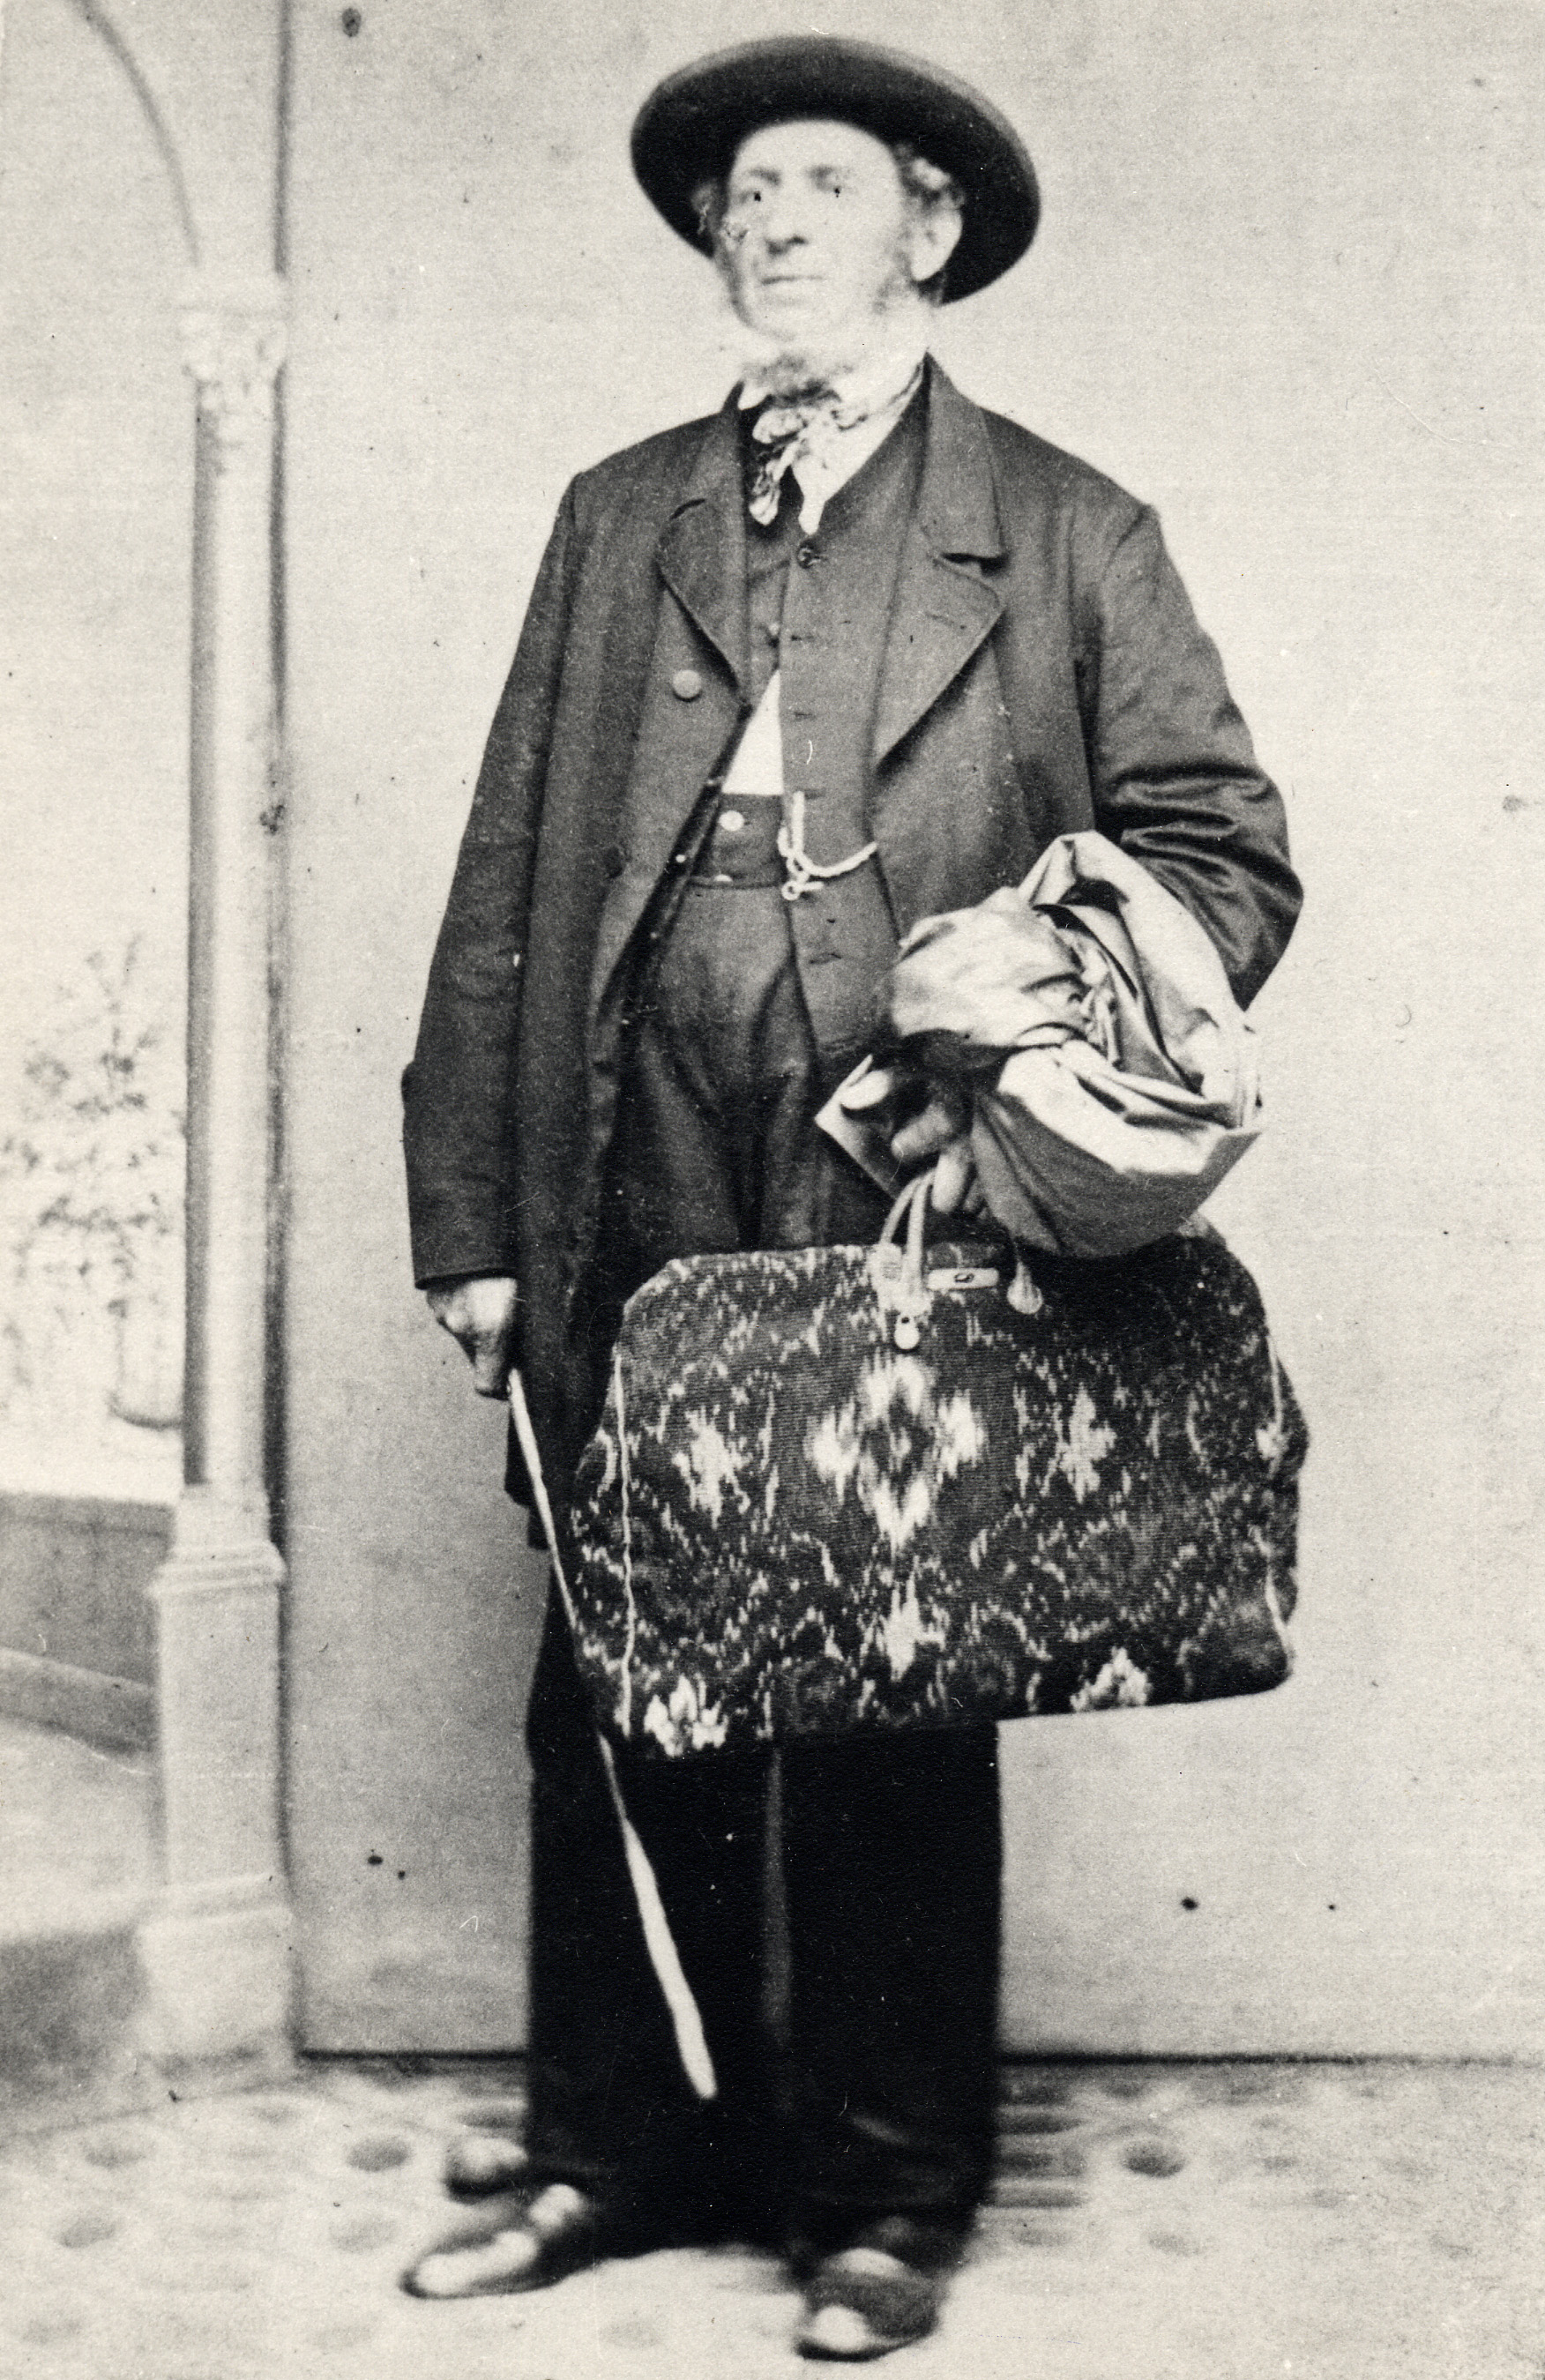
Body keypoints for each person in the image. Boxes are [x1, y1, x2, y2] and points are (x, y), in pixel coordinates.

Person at [400, 35, 1301, 2360]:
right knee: (618, 1665)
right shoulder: (620, 514)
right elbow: (506, 880)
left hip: (904, 1169)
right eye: (741, 194)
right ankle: (620, 2147)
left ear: (929, 227)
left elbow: (1225, 858)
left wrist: (1033, 982)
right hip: (631, 1148)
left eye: (818, 184)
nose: (769, 222)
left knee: (892, 1672)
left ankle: (884, 2193)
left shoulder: (1070, 527)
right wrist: (474, 1217)